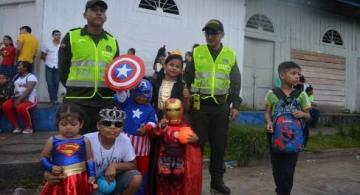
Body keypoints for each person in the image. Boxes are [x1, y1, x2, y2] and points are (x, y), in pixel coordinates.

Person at [183, 19, 242, 194]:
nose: (210, 36)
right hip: (199, 107)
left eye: (214, 33)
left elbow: (235, 82)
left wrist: (235, 104)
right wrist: (185, 91)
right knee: (196, 145)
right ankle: (193, 183)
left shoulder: (230, 55)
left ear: (222, 35)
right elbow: (187, 76)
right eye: (207, 33)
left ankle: (217, 182)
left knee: (219, 146)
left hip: (221, 107)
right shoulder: (197, 52)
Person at [44, 106, 142, 195]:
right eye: (107, 123)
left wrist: (115, 166)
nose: (112, 127)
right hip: (89, 183)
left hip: (112, 181)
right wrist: (48, 172)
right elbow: (65, 160)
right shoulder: (86, 140)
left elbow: (133, 165)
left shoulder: (124, 139)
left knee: (136, 177)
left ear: (122, 128)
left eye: (118, 124)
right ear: (98, 126)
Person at [59, 0, 120, 134]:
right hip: (77, 101)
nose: (98, 13)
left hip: (104, 101)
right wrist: (72, 88)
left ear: (105, 17)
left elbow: (116, 71)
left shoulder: (112, 41)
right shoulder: (71, 36)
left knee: (100, 145)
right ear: (84, 14)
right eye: (94, 10)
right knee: (75, 143)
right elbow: (62, 69)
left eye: (102, 11)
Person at [264, 61, 311, 195]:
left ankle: (284, 192)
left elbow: (309, 116)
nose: (297, 76)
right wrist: (268, 122)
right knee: (277, 169)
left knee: (289, 170)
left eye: (299, 74)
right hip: (275, 136)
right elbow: (267, 112)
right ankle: (281, 190)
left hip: (294, 138)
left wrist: (302, 113)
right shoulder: (271, 93)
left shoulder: (302, 95)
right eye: (293, 73)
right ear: (282, 75)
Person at [40, 104, 96, 194]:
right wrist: (50, 167)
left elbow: (89, 159)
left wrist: (92, 174)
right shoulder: (52, 140)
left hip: (79, 179)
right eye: (64, 124)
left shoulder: (84, 140)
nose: (68, 127)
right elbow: (43, 158)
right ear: (58, 124)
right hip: (59, 179)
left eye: (73, 124)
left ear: (81, 124)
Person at [114, 79, 157, 195]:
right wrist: (121, 83)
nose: (142, 98)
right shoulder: (127, 102)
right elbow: (120, 95)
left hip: (142, 148)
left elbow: (153, 122)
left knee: (142, 172)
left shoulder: (150, 109)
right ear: (133, 92)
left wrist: (147, 128)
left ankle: (141, 192)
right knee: (124, 169)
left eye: (145, 96)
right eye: (139, 95)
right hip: (124, 145)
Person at [154, 98, 201, 195]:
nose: (173, 112)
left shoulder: (185, 127)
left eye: (176, 109)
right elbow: (155, 133)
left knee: (177, 184)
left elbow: (193, 145)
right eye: (169, 110)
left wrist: (195, 140)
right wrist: (161, 126)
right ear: (165, 111)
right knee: (163, 183)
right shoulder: (164, 126)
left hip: (179, 160)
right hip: (165, 159)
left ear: (182, 110)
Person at [2, 61, 38, 134]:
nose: (18, 67)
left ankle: (29, 128)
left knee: (21, 108)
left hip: (29, 100)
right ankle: (17, 127)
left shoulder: (31, 77)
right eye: (18, 66)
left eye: (20, 66)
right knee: (5, 106)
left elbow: (28, 90)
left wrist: (19, 100)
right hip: (16, 98)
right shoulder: (16, 76)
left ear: (25, 68)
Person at [41, 30, 61, 105]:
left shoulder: (62, 44)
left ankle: (54, 99)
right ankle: (52, 99)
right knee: (49, 83)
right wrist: (47, 61)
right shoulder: (47, 44)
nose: (58, 36)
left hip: (59, 66)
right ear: (52, 36)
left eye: (59, 35)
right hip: (49, 66)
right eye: (56, 35)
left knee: (56, 83)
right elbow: (42, 55)